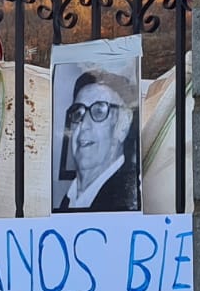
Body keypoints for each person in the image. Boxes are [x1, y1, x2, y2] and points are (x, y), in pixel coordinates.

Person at [56, 68, 139, 213]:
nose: (83, 125)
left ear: (123, 125)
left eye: (99, 111)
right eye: (78, 112)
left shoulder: (126, 198)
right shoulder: (69, 198)